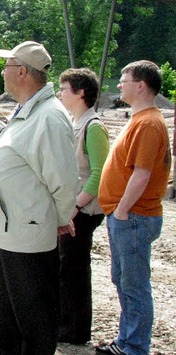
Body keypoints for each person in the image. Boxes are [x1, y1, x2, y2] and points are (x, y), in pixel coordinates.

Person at [0, 41, 79, 354]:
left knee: (34, 320)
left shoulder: (49, 117)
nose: (2, 72)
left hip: (26, 236)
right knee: (8, 318)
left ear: (21, 72)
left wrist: (57, 219)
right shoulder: (28, 111)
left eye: (6, 66)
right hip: (8, 233)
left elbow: (63, 180)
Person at [95, 60, 170, 355]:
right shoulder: (140, 119)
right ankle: (126, 341)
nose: (119, 85)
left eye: (124, 80)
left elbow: (142, 173)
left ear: (141, 85)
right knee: (123, 280)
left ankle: (135, 347)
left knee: (135, 285)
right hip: (126, 216)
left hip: (134, 217)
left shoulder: (149, 123)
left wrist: (123, 209)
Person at [56, 68, 109, 345]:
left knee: (74, 270)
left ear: (80, 93)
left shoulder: (93, 126)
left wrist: (75, 206)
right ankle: (65, 323)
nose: (60, 94)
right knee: (64, 268)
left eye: (64, 89)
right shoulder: (74, 121)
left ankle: (75, 331)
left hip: (83, 212)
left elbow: (100, 173)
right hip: (72, 208)